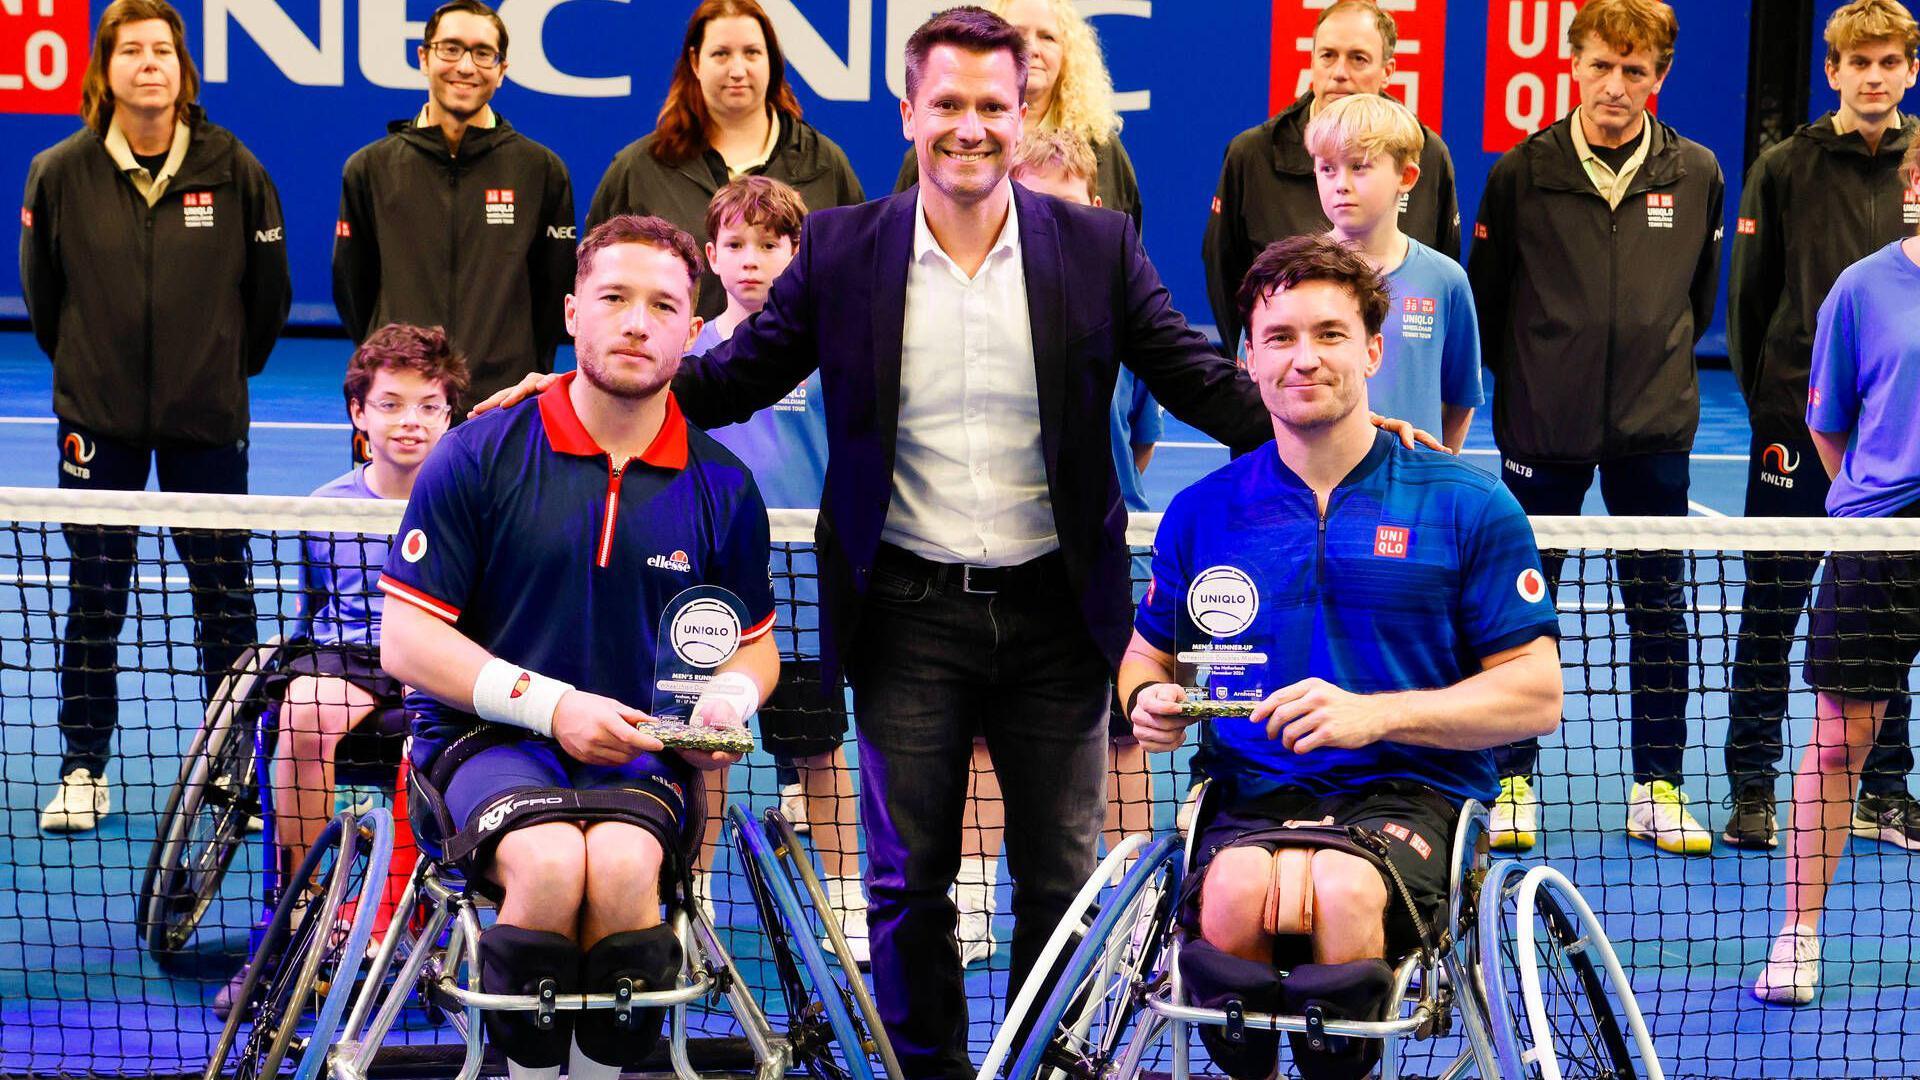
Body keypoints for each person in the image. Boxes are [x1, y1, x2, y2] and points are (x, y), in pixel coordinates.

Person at [469, 14, 1440, 1070]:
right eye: (949, 106)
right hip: (906, 612)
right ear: (910, 114)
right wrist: (577, 387)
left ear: (1022, 117)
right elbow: (721, 381)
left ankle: (1038, 1063)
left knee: (1060, 878)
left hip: (1057, 616)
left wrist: (1345, 424)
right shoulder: (845, 250)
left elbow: (1201, 380)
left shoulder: (1095, 247)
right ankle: (924, 1068)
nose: (970, 129)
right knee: (906, 879)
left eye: (992, 107)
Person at [1121, 235, 1561, 1080]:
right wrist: (1148, 698)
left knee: (1345, 890)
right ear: (1247, 358)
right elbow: (1148, 657)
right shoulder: (1203, 511)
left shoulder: (1468, 504)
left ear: (1372, 348)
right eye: (1279, 337)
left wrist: (1377, 714)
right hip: (1250, 792)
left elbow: (1536, 695)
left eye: (1329, 334)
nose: (1304, 358)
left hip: (1415, 793)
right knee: (1238, 893)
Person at [379, 214, 778, 1080]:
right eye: (614, 298)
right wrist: (553, 707)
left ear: (692, 329)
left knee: (627, 864)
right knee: (555, 862)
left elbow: (755, 647)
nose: (637, 322)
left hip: (642, 750)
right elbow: (406, 639)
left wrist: (729, 701)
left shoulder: (724, 488)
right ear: (571, 313)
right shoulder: (479, 455)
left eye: (663, 305)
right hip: (485, 743)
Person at [24, 0, 290, 833]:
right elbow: (43, 299)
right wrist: (92, 370)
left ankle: (231, 775)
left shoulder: (234, 166)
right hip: (95, 419)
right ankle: (81, 766)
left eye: (163, 51)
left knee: (224, 596)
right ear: (106, 72)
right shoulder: (60, 172)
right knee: (94, 593)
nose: (148, 64)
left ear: (183, 70)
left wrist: (213, 373)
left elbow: (269, 298)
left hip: (205, 418)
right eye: (131, 51)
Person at [1467, 0, 1724, 855]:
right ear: (1573, 66)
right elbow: (1493, 296)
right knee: (1518, 610)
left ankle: (1658, 785)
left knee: (1658, 609)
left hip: (1655, 427)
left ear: (1661, 76)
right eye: (1601, 67)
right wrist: (1544, 375)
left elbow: (1699, 298)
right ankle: (1510, 779)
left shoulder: (1698, 172)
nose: (1616, 87)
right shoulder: (1520, 171)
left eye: (1636, 71)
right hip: (1542, 426)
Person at [947, 128, 1162, 967]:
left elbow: (1140, 437)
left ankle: (1136, 896)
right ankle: (971, 900)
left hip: (1108, 558)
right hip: (999, 561)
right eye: (1039, 207)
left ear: (1099, 210)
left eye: (1072, 206)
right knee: (981, 743)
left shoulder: (1126, 302)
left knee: (1127, 732)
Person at [217, 323, 470, 1018]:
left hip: (440, 654)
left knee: (435, 723)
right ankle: (296, 917)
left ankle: (399, 912)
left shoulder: (473, 503)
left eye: (427, 405)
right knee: (300, 712)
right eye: (390, 404)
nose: (409, 422)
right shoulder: (326, 507)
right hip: (352, 657)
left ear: (450, 412)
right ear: (359, 413)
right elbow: (315, 612)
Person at [1724, 0, 1920, 851]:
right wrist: (1782, 404)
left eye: (1889, 62)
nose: (1873, 77)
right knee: (1772, 606)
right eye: (1857, 63)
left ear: (1911, 71)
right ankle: (1753, 784)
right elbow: (1747, 303)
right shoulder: (1784, 165)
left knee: (1888, 622)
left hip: (1892, 451)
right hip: (1797, 427)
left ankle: (1886, 789)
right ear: (1831, 71)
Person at [686, 175, 871, 960]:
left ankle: (847, 900)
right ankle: (689, 894)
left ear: (800, 254)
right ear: (710, 255)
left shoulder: (830, 351)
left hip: (801, 588)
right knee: (705, 742)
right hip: (705, 590)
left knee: (820, 748)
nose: (752, 262)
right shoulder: (691, 353)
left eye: (771, 245)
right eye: (736, 246)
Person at [1754, 140, 1920, 1006]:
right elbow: (1830, 425)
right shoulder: (1862, 288)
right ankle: (1798, 935)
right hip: (1884, 541)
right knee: (1840, 738)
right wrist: (1875, 495)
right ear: (1916, 183)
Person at [332, 0, 576, 415]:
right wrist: (393, 365)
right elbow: (355, 288)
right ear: (424, 57)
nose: (465, 66)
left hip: (503, 402)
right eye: (450, 49)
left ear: (502, 70)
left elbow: (553, 292)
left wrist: (521, 372)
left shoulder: (541, 170)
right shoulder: (369, 168)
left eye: (483, 53)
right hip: (401, 403)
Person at [1203, 0, 1461, 358]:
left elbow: (1441, 272)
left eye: (1358, 58)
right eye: (1327, 56)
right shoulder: (1252, 153)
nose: (1340, 72)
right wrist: (1259, 366)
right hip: (1284, 384)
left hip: (1395, 381)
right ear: (1311, 62)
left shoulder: (1427, 155)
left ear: (1388, 70)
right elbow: (1224, 273)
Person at [587, 0, 864, 322]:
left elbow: (858, 279)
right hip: (672, 369)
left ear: (772, 61)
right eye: (721, 54)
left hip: (797, 369)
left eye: (751, 53)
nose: (737, 70)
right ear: (695, 61)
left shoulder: (823, 165)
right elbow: (594, 283)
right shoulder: (639, 169)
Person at [1308, 92, 1480, 450]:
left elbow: (1460, 397)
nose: (1341, 183)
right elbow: (1257, 388)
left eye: (1359, 166)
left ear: (1407, 176)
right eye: (1327, 168)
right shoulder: (1289, 276)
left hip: (1412, 489)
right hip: (1314, 486)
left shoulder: (1445, 280)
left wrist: (1434, 474)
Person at [893, 0, 1144, 228]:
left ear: (1068, 52)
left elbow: (1125, 251)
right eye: (1020, 34)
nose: (1033, 48)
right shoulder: (937, 149)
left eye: (1048, 37)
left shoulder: (1102, 148)